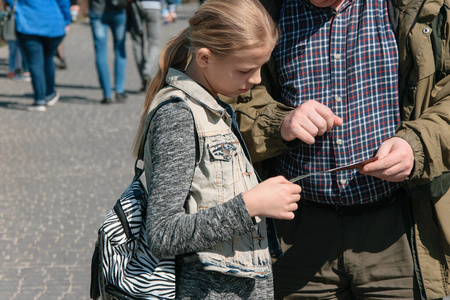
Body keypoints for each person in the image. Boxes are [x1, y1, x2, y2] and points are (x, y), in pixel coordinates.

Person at [229, 0, 450, 299]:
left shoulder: (425, 6)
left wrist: (417, 145)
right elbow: (224, 99)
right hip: (296, 237)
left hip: (399, 230)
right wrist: (279, 123)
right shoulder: (260, 8)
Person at [131, 0, 302, 298]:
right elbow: (163, 233)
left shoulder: (215, 105)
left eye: (262, 66)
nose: (257, 79)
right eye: (245, 69)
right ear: (205, 58)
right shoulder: (179, 116)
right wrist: (251, 205)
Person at [5, 0, 70, 112]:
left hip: (28, 23)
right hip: (53, 23)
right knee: (48, 59)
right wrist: (66, 19)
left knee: (35, 62)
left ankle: (40, 99)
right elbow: (64, 2)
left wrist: (16, 8)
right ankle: (49, 94)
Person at [89, 0, 128, 104]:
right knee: (120, 49)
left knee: (100, 52)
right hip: (118, 9)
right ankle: (119, 90)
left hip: (97, 10)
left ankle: (107, 94)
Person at [127, 0, 162, 92]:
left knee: (137, 44)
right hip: (154, 7)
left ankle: (144, 79)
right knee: (154, 42)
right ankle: (148, 71)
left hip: (136, 6)